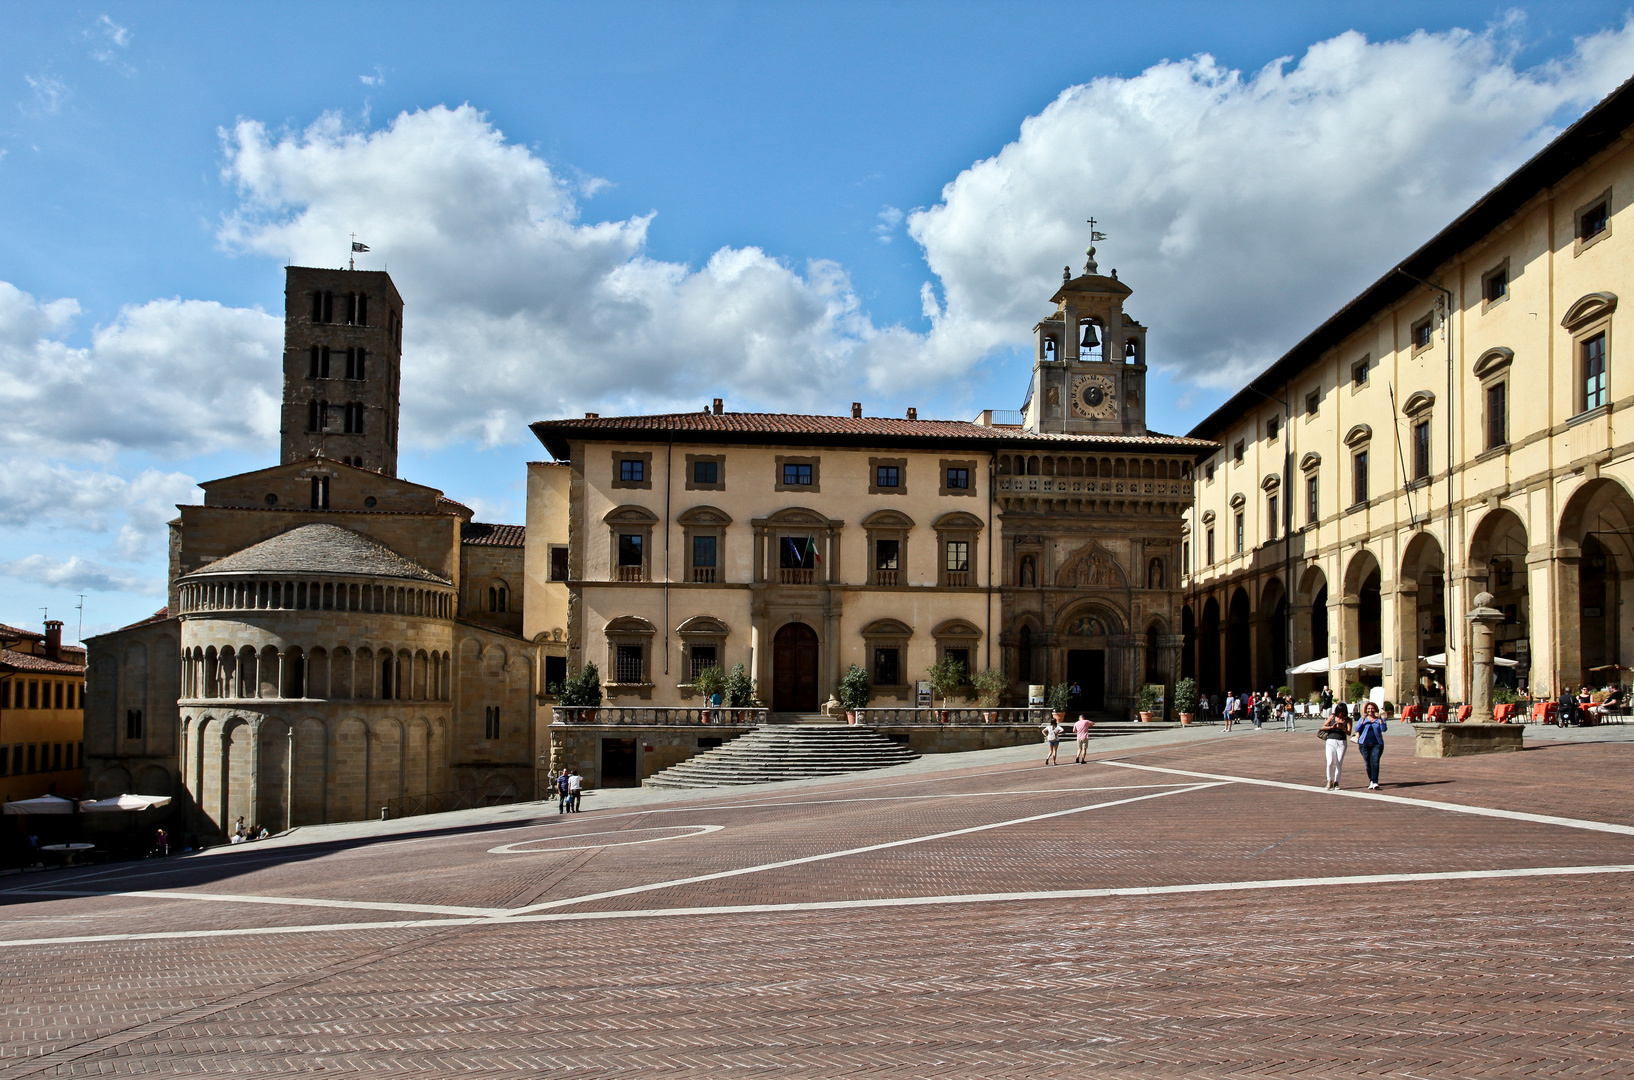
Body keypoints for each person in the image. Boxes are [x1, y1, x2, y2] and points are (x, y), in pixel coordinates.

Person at [1355, 700, 1387, 789]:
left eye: (1372, 709)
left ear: (1376, 710)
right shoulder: (1362, 718)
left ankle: (1375, 781)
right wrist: (1363, 720)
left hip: (1377, 744)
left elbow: (1383, 729)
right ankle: (1371, 781)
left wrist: (1380, 719)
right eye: (1368, 709)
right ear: (1366, 710)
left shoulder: (1380, 719)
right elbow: (1357, 729)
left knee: (1375, 762)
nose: (1370, 710)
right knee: (1368, 763)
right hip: (1364, 744)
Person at [1319, 703, 1351, 790]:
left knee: (1339, 762)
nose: (1341, 713)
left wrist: (1343, 728)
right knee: (1329, 762)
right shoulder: (1333, 717)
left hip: (1342, 742)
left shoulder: (1348, 720)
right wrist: (1331, 727)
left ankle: (1336, 782)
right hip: (1331, 741)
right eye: (1340, 711)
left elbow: (1349, 732)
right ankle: (1329, 781)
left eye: (1343, 711)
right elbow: (1323, 727)